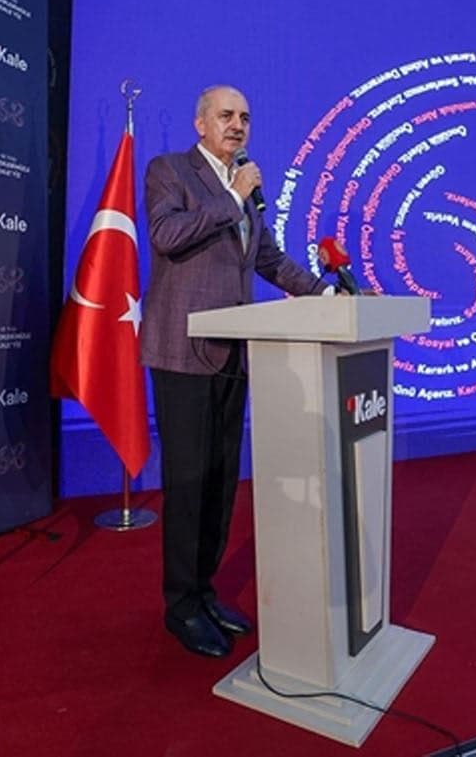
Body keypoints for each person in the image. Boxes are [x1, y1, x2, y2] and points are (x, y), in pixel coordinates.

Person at [141, 84, 330, 657]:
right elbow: (166, 236)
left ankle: (204, 590)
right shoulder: (170, 170)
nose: (238, 125)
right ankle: (180, 605)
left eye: (245, 117)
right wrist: (230, 197)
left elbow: (265, 257)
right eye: (226, 115)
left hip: (233, 353)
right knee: (190, 483)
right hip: (182, 352)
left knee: (222, 482)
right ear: (201, 123)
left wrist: (323, 292)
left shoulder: (244, 187)